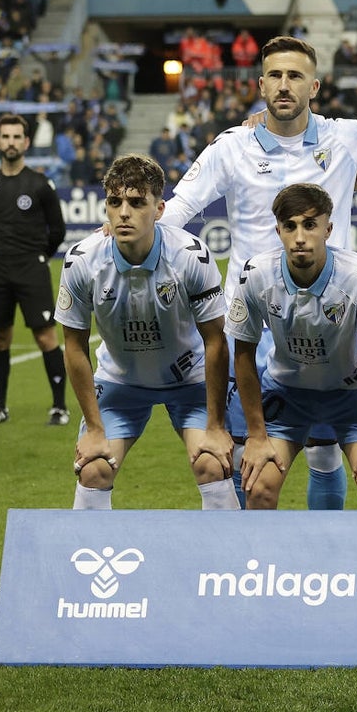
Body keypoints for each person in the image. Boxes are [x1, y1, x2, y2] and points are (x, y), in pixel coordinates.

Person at [160, 36, 357, 510]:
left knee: (325, 455)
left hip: (330, 319)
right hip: (253, 327)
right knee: (248, 456)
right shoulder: (231, 145)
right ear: (260, 85)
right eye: (276, 76)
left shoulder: (346, 137)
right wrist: (134, 233)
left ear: (314, 86)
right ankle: (246, 566)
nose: (284, 85)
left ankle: (328, 554)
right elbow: (179, 208)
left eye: (295, 76)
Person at [57, 155, 238, 510]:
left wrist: (216, 425)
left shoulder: (189, 257)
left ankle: (227, 564)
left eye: (137, 203)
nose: (124, 212)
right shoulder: (82, 261)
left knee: (211, 463)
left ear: (159, 209)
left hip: (189, 382)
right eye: (115, 202)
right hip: (120, 383)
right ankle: (88, 563)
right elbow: (74, 346)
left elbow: (216, 340)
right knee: (93, 470)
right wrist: (95, 430)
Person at [225, 183, 357, 510]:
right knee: (259, 489)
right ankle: (263, 563)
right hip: (288, 396)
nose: (300, 236)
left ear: (328, 229)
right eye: (290, 226)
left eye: (310, 225)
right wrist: (257, 435)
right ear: (278, 230)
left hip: (352, 399)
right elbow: (243, 356)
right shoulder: (257, 275)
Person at [0, 113, 69, 426]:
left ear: (26, 142)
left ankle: (59, 407)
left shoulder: (39, 184)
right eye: (5, 137)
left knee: (46, 338)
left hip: (31, 269)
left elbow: (57, 230)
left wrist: (39, 257)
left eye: (16, 137)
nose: (10, 142)